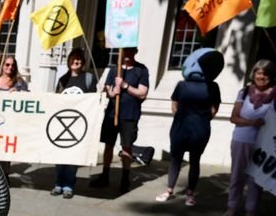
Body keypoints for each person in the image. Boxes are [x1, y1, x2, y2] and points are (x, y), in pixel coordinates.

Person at [155, 48, 223, 207]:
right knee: (175, 159)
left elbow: (214, 108)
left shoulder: (213, 87)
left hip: (199, 129)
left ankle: (190, 194)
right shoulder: (182, 85)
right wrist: (184, 118)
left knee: (195, 160)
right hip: (181, 127)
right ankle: (169, 190)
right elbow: (174, 105)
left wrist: (200, 120)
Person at [222, 59, 276, 216]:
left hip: (264, 144)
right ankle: (232, 207)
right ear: (253, 74)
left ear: (271, 76)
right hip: (241, 139)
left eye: (266, 73)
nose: (262, 76)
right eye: (259, 72)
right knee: (237, 176)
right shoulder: (243, 92)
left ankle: (250, 212)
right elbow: (234, 118)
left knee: (256, 180)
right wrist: (252, 123)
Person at [89, 46, 149, 193]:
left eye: (130, 51)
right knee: (108, 145)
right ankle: (105, 175)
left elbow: (142, 93)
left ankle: (125, 179)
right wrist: (112, 92)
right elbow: (107, 90)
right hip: (111, 114)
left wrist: (125, 85)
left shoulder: (141, 70)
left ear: (135, 52)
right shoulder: (114, 70)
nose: (127, 54)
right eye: (125, 50)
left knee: (126, 147)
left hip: (129, 115)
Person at [51, 48, 97, 199]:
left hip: (78, 124)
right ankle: (58, 183)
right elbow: (56, 100)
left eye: (79, 59)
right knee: (60, 155)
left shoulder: (88, 78)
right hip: (62, 122)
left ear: (82, 62)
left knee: (72, 157)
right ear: (69, 61)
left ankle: (68, 185)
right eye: (73, 59)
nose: (76, 61)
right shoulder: (63, 79)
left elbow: (93, 100)